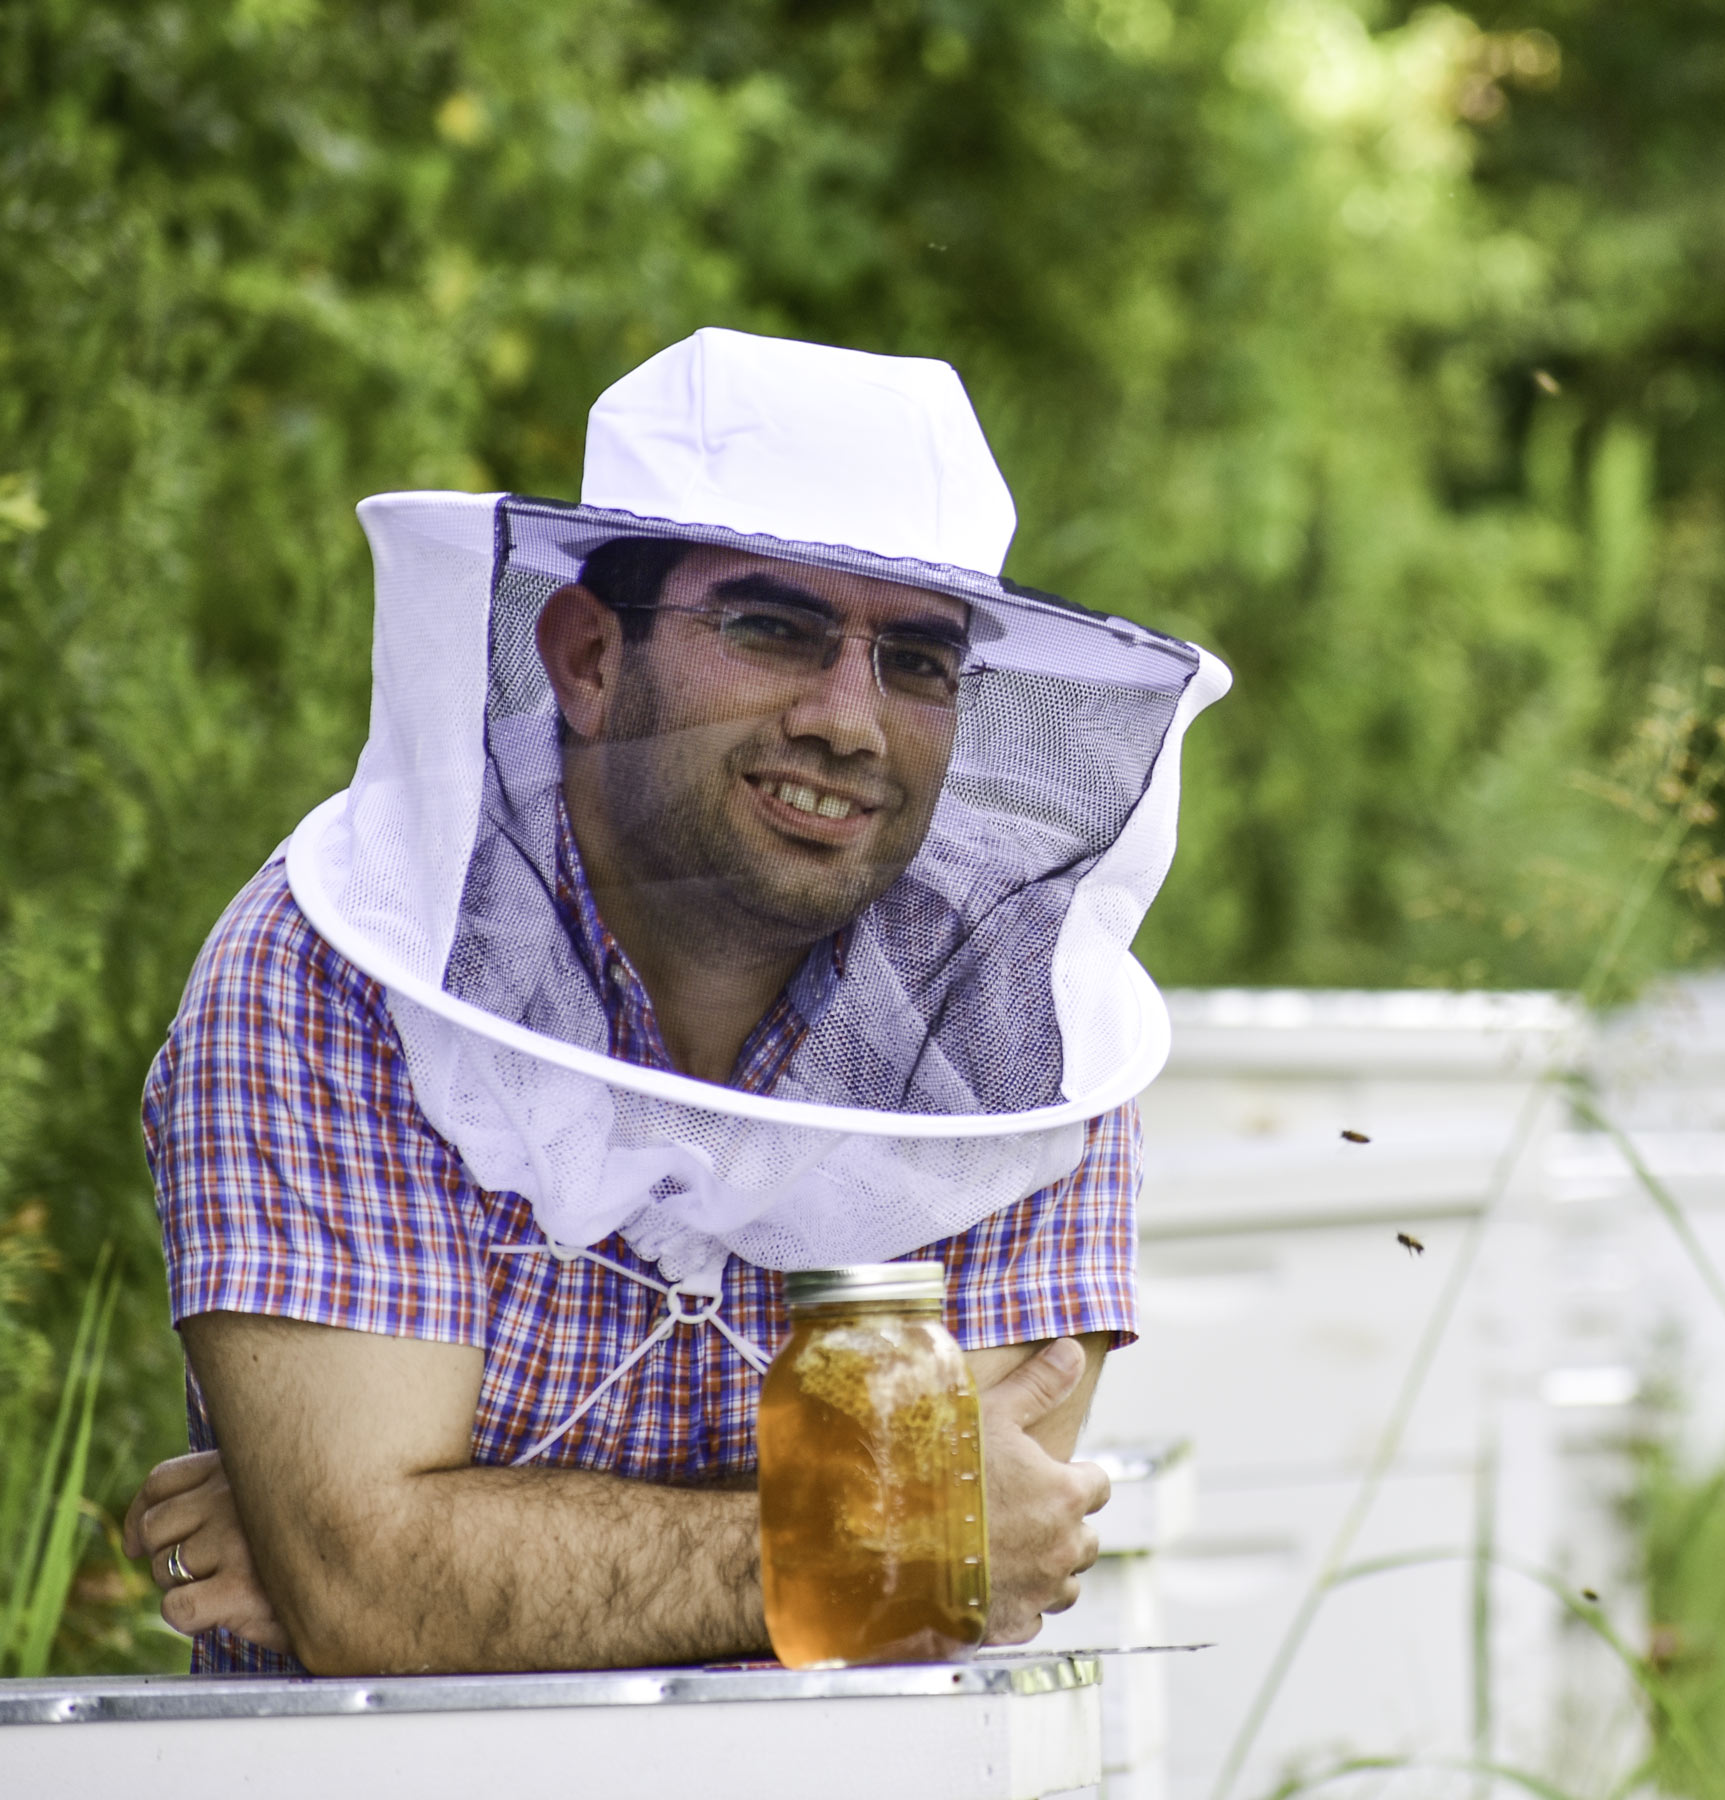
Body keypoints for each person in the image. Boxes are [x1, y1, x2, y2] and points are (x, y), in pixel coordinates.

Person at [120, 331, 1222, 1676]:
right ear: (587, 656)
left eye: (917, 660)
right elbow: (376, 1591)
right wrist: (868, 1538)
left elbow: (959, 1579)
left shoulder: (1022, 1025)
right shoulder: (332, 973)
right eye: (772, 629)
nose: (850, 721)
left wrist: (410, 1546)